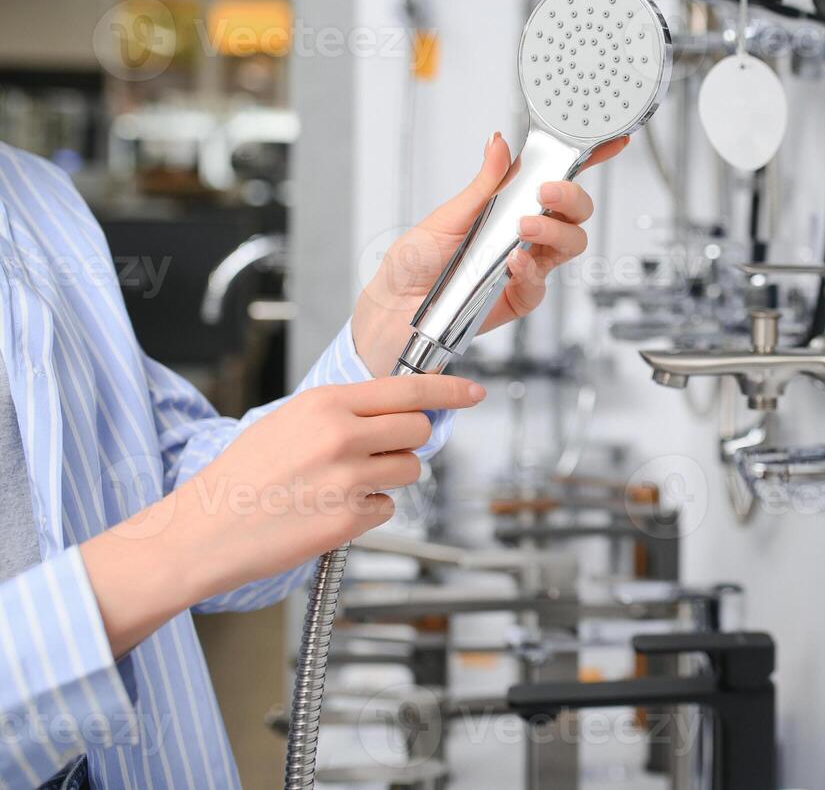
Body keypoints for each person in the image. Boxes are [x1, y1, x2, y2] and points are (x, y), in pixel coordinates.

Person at [0, 132, 625, 789]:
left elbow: (147, 493)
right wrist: (174, 551)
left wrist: (387, 338)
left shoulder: (36, 198)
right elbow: (180, 536)